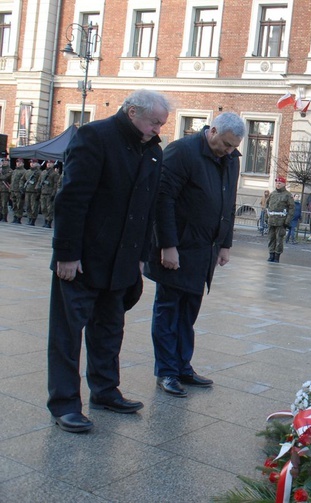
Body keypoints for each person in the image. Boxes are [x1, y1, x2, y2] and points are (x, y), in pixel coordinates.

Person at [47, 89, 171, 433]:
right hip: (83, 260)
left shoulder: (153, 151)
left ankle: (105, 390)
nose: (158, 129)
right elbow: (71, 199)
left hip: (122, 262)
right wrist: (67, 254)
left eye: (162, 123)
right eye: (154, 122)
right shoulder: (95, 136)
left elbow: (147, 210)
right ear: (133, 112)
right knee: (67, 336)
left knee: (109, 331)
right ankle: (65, 404)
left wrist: (142, 258)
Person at [144, 112, 245, 398]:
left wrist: (225, 242)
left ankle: (182, 366)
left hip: (205, 249)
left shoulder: (231, 158)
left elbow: (229, 200)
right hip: (178, 247)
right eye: (225, 144)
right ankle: (166, 371)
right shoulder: (182, 151)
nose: (228, 151)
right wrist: (167, 245)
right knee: (169, 310)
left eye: (233, 147)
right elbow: (163, 200)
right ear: (212, 131)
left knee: (189, 311)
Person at [266, 177, 295, 262]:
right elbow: (267, 206)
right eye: (277, 183)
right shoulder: (272, 194)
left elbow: (291, 209)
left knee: (279, 239)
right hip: (271, 220)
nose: (278, 184)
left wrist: (287, 221)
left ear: (284, 184)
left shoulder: (287, 195)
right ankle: (271, 254)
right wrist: (266, 217)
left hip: (281, 221)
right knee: (271, 238)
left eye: (280, 183)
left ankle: (276, 256)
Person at [39, 160, 60, 228]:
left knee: (49, 208)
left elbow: (56, 184)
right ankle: (45, 220)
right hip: (43, 192)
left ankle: (49, 222)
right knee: (43, 208)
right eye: (48, 163)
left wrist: (54, 194)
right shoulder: (43, 172)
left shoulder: (55, 173)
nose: (48, 164)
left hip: (50, 193)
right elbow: (40, 182)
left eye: (50, 163)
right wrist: (38, 191)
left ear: (53, 164)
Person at [23, 158, 42, 225]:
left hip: (34, 192)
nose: (32, 164)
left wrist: (38, 190)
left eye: (33, 162)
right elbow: (23, 179)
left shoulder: (39, 172)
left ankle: (33, 219)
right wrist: (21, 187)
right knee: (28, 206)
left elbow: (40, 182)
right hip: (27, 191)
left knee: (34, 206)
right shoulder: (28, 172)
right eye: (31, 162)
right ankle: (29, 218)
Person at [10, 158, 26, 223]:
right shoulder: (14, 171)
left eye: (20, 162)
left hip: (19, 191)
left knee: (19, 205)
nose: (18, 163)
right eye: (17, 162)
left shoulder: (24, 171)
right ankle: (15, 216)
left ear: (23, 163)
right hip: (13, 190)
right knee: (14, 205)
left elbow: (24, 181)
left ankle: (18, 218)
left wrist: (22, 190)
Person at [0, 157, 10, 222]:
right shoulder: (0, 169)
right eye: (3, 161)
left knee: (4, 204)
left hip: (5, 190)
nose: (4, 162)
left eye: (5, 161)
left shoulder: (10, 170)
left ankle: (4, 217)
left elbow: (5, 177)